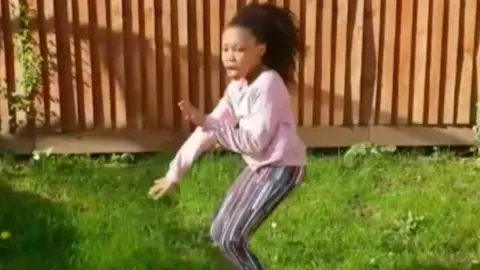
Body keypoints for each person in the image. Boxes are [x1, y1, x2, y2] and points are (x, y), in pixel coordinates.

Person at [148, 3, 307, 269]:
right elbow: (207, 129)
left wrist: (216, 130)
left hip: (281, 167)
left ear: (261, 50)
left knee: (231, 239)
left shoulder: (268, 85)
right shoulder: (237, 87)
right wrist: (174, 173)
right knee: (219, 232)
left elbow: (256, 143)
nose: (229, 56)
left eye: (239, 49)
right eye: (225, 49)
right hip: (260, 166)